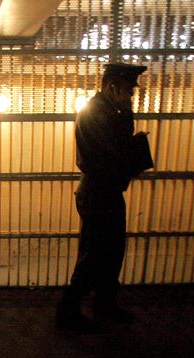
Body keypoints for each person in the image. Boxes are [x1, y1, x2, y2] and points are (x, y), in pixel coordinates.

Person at [56, 63, 152, 331]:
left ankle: (103, 303)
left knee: (109, 251)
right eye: (128, 91)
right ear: (113, 86)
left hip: (103, 191)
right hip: (99, 192)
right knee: (96, 252)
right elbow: (114, 150)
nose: (131, 97)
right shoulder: (98, 113)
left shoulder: (105, 111)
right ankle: (70, 309)